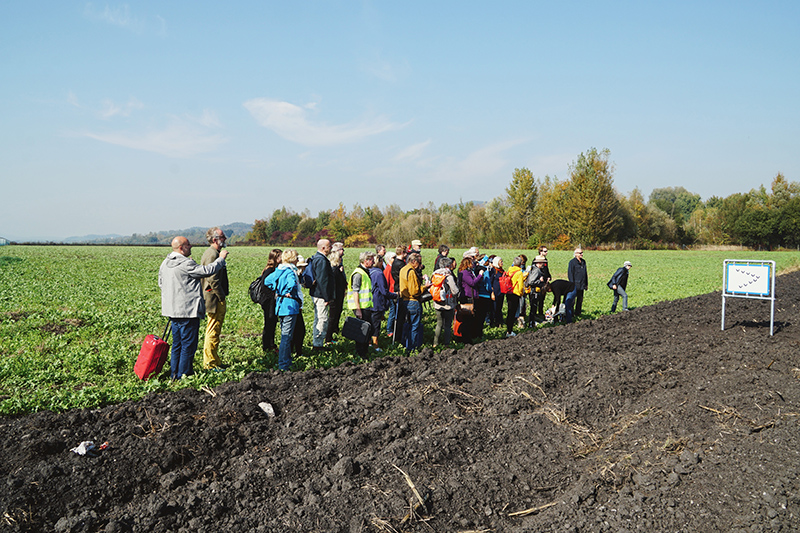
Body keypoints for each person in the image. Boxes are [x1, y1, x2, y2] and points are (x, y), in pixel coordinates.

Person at [158, 236, 228, 379]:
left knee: (177, 344)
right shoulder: (185, 264)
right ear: (181, 248)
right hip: (188, 311)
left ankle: (174, 373)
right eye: (188, 245)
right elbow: (208, 270)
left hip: (172, 311)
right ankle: (184, 374)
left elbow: (161, 283)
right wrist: (221, 259)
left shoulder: (165, 263)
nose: (191, 247)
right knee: (188, 345)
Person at [264, 249, 302, 371]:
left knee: (284, 335)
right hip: (290, 307)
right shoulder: (290, 271)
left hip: (279, 306)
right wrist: (287, 291)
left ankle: (285, 361)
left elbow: (267, 281)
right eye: (296, 257)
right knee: (287, 337)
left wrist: (277, 290)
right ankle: (284, 364)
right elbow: (292, 284)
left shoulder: (279, 270)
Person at [200, 227, 229, 370]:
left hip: (214, 297)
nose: (225, 240)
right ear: (214, 240)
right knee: (213, 331)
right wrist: (221, 296)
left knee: (215, 330)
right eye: (222, 237)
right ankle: (210, 363)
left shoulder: (213, 253)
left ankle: (215, 360)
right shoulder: (213, 254)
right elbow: (213, 279)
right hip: (214, 299)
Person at [398, 252, 430, 352]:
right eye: (419, 262)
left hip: (404, 300)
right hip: (413, 301)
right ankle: (412, 347)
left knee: (407, 324)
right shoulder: (411, 272)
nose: (420, 265)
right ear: (414, 261)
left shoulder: (403, 269)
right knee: (414, 326)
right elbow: (414, 291)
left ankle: (404, 344)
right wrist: (425, 287)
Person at [348, 252, 376, 357]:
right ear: (366, 261)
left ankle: (364, 351)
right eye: (372, 260)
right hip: (361, 307)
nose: (373, 262)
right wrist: (358, 309)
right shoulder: (358, 273)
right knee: (362, 331)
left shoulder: (364, 271)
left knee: (367, 330)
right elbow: (356, 292)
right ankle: (361, 353)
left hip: (366, 306)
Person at [309, 239, 333, 351]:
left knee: (319, 318)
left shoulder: (316, 258)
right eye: (329, 246)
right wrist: (327, 297)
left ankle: (317, 343)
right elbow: (322, 280)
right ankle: (317, 345)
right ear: (323, 248)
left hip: (316, 293)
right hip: (320, 295)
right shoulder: (322, 260)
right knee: (322, 319)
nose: (331, 248)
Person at [370, 254, 396, 351]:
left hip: (369, 301)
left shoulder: (370, 271)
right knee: (376, 325)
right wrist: (395, 295)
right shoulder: (379, 273)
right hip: (377, 302)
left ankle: (369, 343)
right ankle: (375, 345)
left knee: (370, 322)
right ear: (380, 262)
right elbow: (384, 291)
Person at [432, 257, 459, 347]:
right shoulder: (449, 276)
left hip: (437, 303)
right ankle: (446, 344)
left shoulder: (435, 274)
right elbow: (455, 291)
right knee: (447, 325)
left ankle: (435, 343)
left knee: (439, 324)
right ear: (448, 265)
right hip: (448, 304)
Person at [260, 248, 282, 353]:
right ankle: (267, 346)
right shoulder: (270, 270)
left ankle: (270, 344)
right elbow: (264, 287)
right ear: (276, 258)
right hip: (268, 301)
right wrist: (274, 294)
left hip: (270, 301)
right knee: (269, 323)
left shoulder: (272, 269)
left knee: (272, 322)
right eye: (280, 256)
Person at [456, 256, 482, 343]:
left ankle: (468, 337)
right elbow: (472, 282)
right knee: (467, 318)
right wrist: (480, 275)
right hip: (467, 297)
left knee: (470, 318)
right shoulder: (465, 273)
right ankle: (466, 338)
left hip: (470, 296)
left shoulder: (468, 272)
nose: (473, 265)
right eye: (471, 263)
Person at [325, 242, 346, 345]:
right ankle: (328, 338)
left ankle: (332, 334)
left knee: (335, 316)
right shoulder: (334, 270)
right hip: (335, 297)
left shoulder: (336, 269)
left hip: (338, 295)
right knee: (332, 317)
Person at [504, 256, 525, 337]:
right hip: (515, 293)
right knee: (513, 313)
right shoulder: (519, 273)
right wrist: (521, 294)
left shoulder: (509, 271)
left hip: (508, 292)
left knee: (510, 311)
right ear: (520, 264)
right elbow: (520, 285)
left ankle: (508, 329)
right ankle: (510, 331)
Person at [526, 255, 548, 325]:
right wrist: (540, 281)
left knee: (534, 307)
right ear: (539, 263)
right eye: (543, 263)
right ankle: (531, 322)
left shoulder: (533, 268)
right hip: (534, 291)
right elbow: (531, 282)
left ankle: (532, 321)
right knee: (533, 307)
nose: (543, 265)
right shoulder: (536, 270)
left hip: (533, 291)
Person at [568, 247, 588, 317]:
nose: (582, 254)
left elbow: (585, 273)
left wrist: (586, 284)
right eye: (580, 253)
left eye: (582, 253)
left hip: (582, 284)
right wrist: (571, 284)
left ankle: (578, 313)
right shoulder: (572, 262)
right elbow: (570, 274)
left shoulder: (583, 262)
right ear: (576, 254)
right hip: (575, 284)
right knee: (572, 300)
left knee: (580, 300)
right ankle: (571, 314)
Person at [490, 256, 505, 327]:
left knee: (499, 307)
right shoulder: (493, 271)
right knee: (494, 308)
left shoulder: (502, 271)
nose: (502, 263)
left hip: (501, 292)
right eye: (500, 262)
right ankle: (494, 322)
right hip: (495, 292)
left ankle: (499, 321)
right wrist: (492, 292)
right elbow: (490, 282)